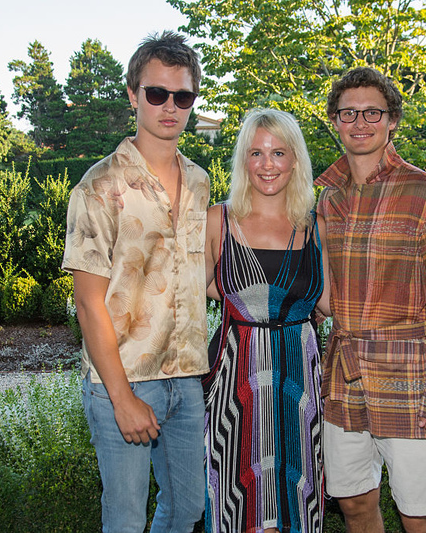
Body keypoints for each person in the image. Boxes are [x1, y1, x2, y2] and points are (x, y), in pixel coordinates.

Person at [62, 30, 209, 533]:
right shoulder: (99, 187)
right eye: (156, 93)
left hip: (187, 377)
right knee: (125, 521)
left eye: (182, 95)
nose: (170, 106)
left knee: (188, 509)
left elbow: (197, 274)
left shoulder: (200, 182)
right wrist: (122, 398)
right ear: (133, 95)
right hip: (121, 378)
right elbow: (87, 304)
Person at [314, 67, 426, 533]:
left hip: (410, 386)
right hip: (345, 381)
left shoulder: (425, 193)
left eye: (372, 113)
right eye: (348, 113)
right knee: (355, 504)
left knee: (419, 516)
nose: (360, 122)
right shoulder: (327, 198)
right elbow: (325, 295)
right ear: (335, 121)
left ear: (392, 120)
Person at [203, 108, 331, 533]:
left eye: (278, 152)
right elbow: (197, 287)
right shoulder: (217, 220)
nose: (267, 165)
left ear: (295, 160)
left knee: (298, 493)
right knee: (240, 499)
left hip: (299, 377)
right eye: (255, 153)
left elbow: (329, 301)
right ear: (242, 160)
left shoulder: (314, 225)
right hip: (236, 377)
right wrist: (250, 305)